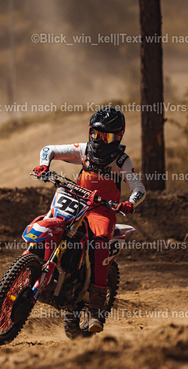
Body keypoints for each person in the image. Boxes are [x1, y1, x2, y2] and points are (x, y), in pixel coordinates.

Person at [33, 107, 146, 333]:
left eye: (107, 137)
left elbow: (138, 188)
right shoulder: (84, 150)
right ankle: (32, 264)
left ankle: (95, 309)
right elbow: (49, 149)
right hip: (75, 201)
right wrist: (44, 164)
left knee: (100, 244)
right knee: (51, 220)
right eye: (96, 134)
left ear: (118, 137)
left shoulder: (121, 161)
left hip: (102, 211)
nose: (100, 141)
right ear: (90, 132)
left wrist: (130, 203)